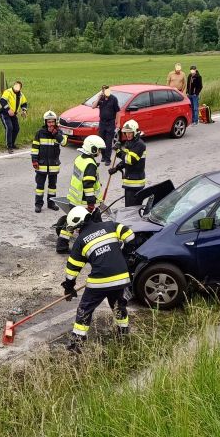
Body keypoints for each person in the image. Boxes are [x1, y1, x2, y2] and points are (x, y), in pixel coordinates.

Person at [61, 206, 135, 352]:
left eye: (75, 228)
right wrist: (124, 255)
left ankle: (77, 343)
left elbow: (72, 269)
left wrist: (69, 287)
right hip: (121, 278)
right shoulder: (110, 226)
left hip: (99, 282)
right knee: (118, 305)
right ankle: (123, 334)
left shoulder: (81, 241)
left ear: (80, 224)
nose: (76, 232)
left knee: (85, 309)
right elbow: (130, 236)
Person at [57, 134, 105, 254]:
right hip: (84, 202)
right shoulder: (90, 164)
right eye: (98, 149)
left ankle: (61, 246)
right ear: (93, 149)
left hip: (74, 199)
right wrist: (91, 203)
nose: (99, 152)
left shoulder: (80, 159)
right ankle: (94, 249)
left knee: (70, 223)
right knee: (96, 226)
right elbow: (88, 185)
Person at [31, 110, 67, 213]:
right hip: (41, 165)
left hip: (53, 165)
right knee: (40, 187)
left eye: (52, 122)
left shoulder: (59, 132)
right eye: (48, 122)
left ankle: (51, 203)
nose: (50, 124)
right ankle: (38, 205)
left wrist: (56, 134)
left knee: (52, 187)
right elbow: (35, 148)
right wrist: (34, 160)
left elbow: (64, 142)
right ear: (45, 122)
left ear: (55, 122)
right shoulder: (40, 133)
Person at [109, 119, 146, 207]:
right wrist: (117, 168)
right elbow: (125, 161)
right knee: (128, 208)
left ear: (135, 132)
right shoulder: (129, 143)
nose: (128, 135)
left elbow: (130, 160)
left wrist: (119, 152)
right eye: (126, 133)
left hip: (136, 183)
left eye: (130, 132)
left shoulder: (140, 145)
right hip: (129, 181)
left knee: (132, 210)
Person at [91, 85, 119, 166]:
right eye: (103, 91)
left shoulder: (113, 99)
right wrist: (98, 97)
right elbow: (93, 106)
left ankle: (108, 159)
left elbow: (118, 111)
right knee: (101, 141)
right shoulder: (101, 99)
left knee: (108, 141)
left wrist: (118, 123)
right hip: (102, 123)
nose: (105, 92)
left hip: (110, 123)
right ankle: (103, 156)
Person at [0, 80, 28, 153]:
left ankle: (13, 144)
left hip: (13, 114)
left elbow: (24, 103)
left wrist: (24, 111)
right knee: (9, 127)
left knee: (16, 128)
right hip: (4, 112)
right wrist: (8, 109)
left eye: (18, 86)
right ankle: (9, 146)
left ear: (20, 88)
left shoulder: (21, 95)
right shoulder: (8, 92)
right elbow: (2, 101)